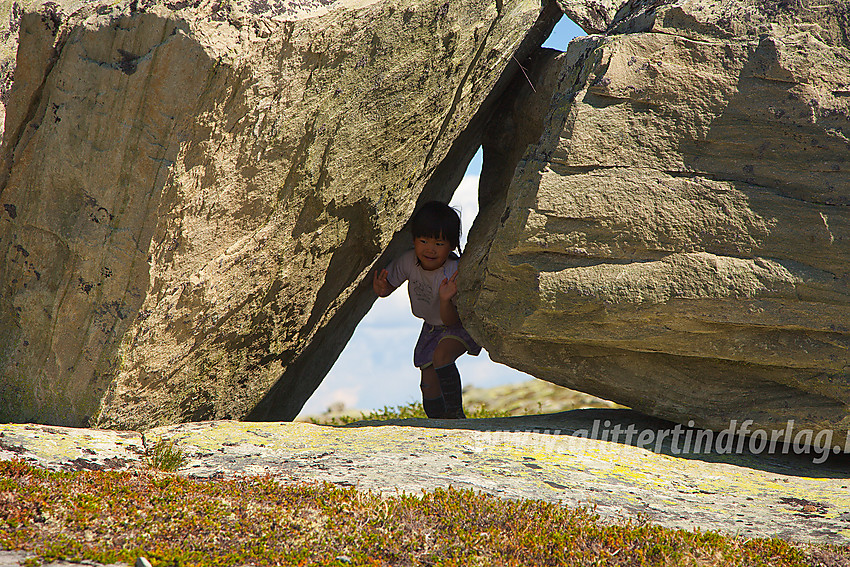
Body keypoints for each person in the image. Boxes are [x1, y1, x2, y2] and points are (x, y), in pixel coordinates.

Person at [372, 201, 481, 419]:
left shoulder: (454, 272)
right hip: (431, 328)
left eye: (439, 243)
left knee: (442, 357)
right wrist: (381, 288)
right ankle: (438, 424)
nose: (430, 249)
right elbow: (388, 287)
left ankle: (456, 418)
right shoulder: (408, 261)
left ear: (451, 246)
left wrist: (444, 299)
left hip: (459, 324)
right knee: (428, 385)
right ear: (413, 240)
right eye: (423, 241)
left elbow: (451, 320)